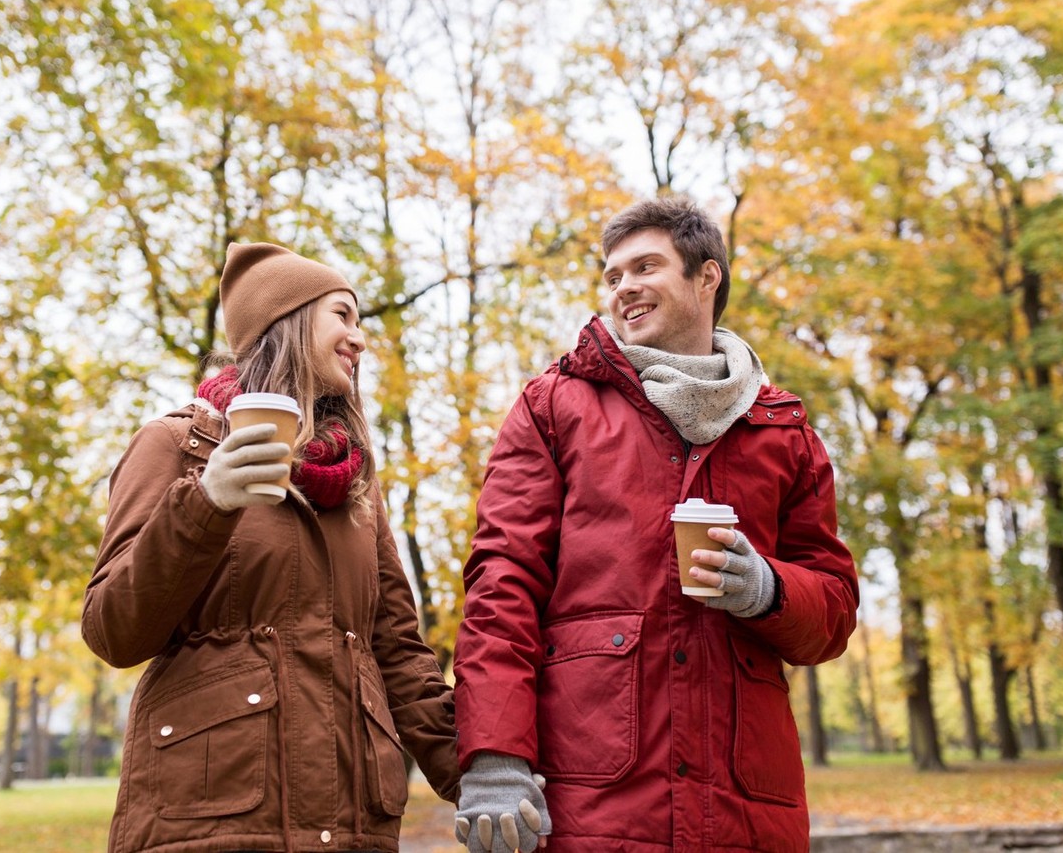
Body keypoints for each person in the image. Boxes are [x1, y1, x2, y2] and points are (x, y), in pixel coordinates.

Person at [451, 196, 860, 853]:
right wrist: (495, 758)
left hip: (748, 811)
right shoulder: (553, 407)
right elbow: (503, 582)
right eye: (612, 276)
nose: (623, 289)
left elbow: (835, 609)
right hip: (596, 799)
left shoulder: (784, 431)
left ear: (707, 277)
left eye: (645, 267)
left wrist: (768, 589)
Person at [82, 242, 460, 853]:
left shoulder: (356, 481)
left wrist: (481, 776)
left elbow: (397, 653)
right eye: (342, 316)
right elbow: (113, 630)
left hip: (354, 826)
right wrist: (207, 503)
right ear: (284, 324)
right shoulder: (177, 446)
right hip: (212, 823)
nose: (359, 339)